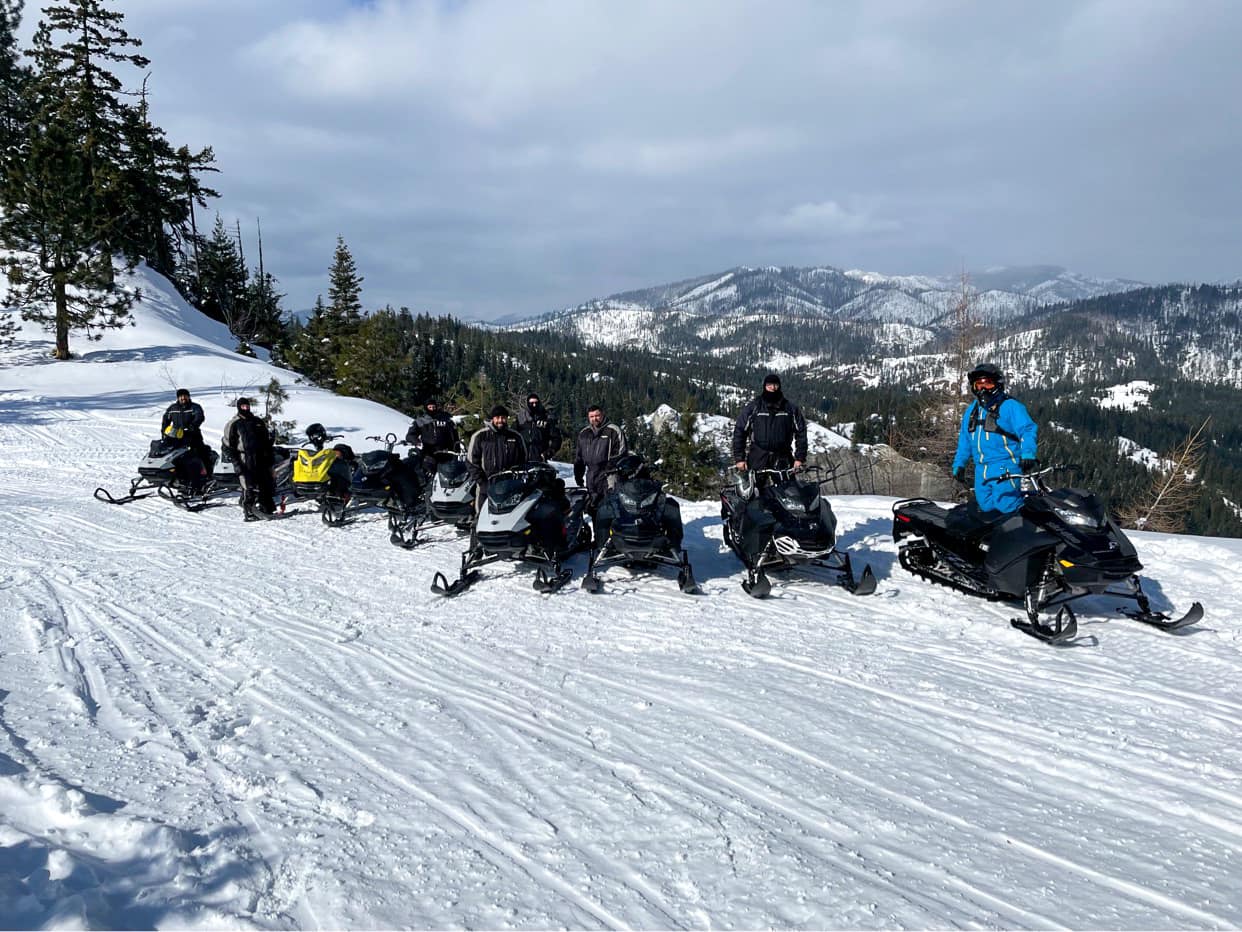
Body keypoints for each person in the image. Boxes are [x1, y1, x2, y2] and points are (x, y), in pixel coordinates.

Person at [950, 362, 1038, 526]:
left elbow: (1027, 429)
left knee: (1007, 509)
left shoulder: (1010, 406)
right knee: (986, 511)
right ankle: (990, 547)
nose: (983, 388)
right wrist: (959, 464)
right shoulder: (972, 411)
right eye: (979, 384)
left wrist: (1028, 453)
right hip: (981, 470)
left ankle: (1014, 543)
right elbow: (965, 440)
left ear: (997, 384)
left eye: (988, 383)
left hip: (1005, 467)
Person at [731, 373, 808, 477]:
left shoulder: (790, 408)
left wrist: (800, 458)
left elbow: (801, 432)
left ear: (779, 386)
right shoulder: (754, 407)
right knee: (755, 490)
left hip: (783, 455)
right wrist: (739, 458)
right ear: (764, 386)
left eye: (775, 385)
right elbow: (740, 431)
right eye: (769, 385)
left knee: (787, 489)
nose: (773, 388)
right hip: (758, 456)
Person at [223, 397, 277, 520]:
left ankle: (266, 508)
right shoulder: (234, 424)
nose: (245, 408)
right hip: (244, 457)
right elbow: (228, 446)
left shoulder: (257, 421)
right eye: (243, 406)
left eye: (247, 406)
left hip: (260, 457)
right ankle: (249, 511)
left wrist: (270, 451)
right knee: (248, 485)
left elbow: (265, 441)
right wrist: (236, 463)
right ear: (238, 407)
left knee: (265, 483)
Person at [465, 405, 527, 500]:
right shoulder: (480, 436)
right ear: (492, 419)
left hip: (510, 484)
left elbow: (523, 460)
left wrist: (518, 479)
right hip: (487, 484)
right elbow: (471, 462)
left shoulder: (516, 437)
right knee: (482, 513)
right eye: (497, 417)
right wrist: (482, 482)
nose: (500, 420)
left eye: (503, 418)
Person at [573, 404, 627, 511]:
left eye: (597, 415)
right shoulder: (584, 433)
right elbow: (579, 457)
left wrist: (608, 468)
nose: (595, 419)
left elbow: (621, 453)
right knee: (593, 509)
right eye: (591, 417)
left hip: (609, 476)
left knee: (610, 509)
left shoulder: (613, 431)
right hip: (591, 478)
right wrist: (578, 475)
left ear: (602, 415)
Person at [161, 388, 211, 490]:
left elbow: (200, 417)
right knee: (174, 457)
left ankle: (207, 477)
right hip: (176, 437)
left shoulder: (194, 407)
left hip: (193, 436)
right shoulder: (173, 408)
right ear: (178, 397)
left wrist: (192, 426)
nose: (183, 398)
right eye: (181, 396)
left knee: (200, 454)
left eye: (185, 396)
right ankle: (177, 478)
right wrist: (164, 430)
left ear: (188, 396)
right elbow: (166, 418)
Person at [406, 398, 460, 475]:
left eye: (434, 407)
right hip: (429, 452)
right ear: (426, 408)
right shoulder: (421, 421)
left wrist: (456, 449)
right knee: (430, 470)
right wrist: (416, 441)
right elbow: (410, 435)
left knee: (449, 473)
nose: (432, 409)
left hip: (446, 452)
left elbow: (454, 435)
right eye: (430, 407)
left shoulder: (445, 419)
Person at [516, 392, 563, 462]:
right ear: (528, 404)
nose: (534, 405)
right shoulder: (521, 418)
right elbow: (512, 436)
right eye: (531, 403)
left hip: (540, 459)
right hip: (522, 460)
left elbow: (557, 438)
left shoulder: (547, 418)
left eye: (536, 403)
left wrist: (549, 452)